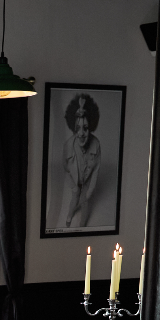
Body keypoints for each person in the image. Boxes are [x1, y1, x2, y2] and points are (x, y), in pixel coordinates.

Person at [62, 93, 102, 230]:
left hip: (86, 182)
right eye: (77, 128)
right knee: (75, 197)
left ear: (91, 126)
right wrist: (73, 186)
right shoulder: (68, 145)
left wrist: (90, 190)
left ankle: (81, 228)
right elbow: (65, 168)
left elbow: (96, 170)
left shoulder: (96, 145)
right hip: (75, 181)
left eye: (85, 128)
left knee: (85, 201)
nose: (81, 133)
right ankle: (69, 216)